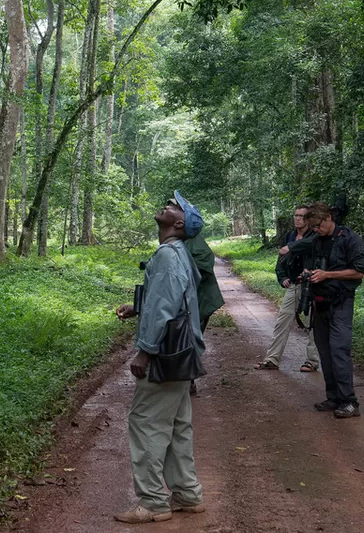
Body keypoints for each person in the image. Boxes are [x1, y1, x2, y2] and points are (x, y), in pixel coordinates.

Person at [113, 191, 206, 524]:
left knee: (146, 422)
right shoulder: (178, 253)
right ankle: (186, 494)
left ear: (178, 224)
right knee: (178, 426)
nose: (167, 206)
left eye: (174, 207)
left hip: (166, 355)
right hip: (185, 353)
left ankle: (153, 502)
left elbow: (165, 308)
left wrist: (144, 351)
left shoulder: (168, 255)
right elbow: (175, 296)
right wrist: (139, 305)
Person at [300, 201, 364, 418]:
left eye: (318, 225)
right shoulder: (317, 241)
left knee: (339, 350)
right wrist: (309, 273)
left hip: (341, 302)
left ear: (329, 218)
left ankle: (349, 401)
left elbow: (358, 273)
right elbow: (314, 264)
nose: (315, 230)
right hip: (320, 303)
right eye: (313, 227)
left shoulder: (350, 239)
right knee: (325, 352)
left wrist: (328, 275)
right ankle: (334, 397)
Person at [253, 205, 320, 373]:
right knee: (283, 320)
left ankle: (312, 361)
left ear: (308, 219)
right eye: (296, 215)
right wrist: (282, 277)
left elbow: (310, 246)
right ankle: (272, 359)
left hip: (313, 285)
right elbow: (281, 260)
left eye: (302, 216)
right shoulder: (290, 235)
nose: (298, 219)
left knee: (313, 323)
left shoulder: (315, 236)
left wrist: (292, 247)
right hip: (294, 285)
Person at [183, 231, 224, 395]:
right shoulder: (175, 239)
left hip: (198, 300)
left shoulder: (192, 239)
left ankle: (188, 380)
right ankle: (183, 379)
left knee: (189, 339)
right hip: (185, 300)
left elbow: (205, 261)